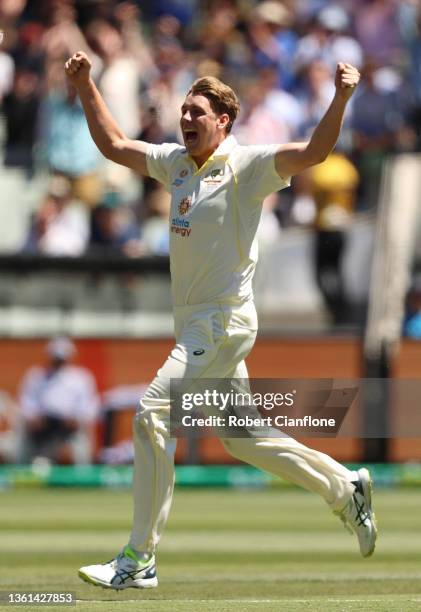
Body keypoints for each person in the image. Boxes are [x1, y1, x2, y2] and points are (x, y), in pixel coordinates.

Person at [64, 51, 376, 590]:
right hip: (196, 323)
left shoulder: (248, 167)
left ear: (223, 121)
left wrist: (341, 97)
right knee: (241, 437)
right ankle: (345, 488)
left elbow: (316, 151)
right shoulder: (177, 164)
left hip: (222, 321)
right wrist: (85, 84)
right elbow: (114, 145)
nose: (186, 119)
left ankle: (139, 559)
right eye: (184, 110)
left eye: (197, 112)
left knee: (151, 416)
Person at [18, 337, 99, 464]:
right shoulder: (35, 376)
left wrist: (75, 420)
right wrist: (34, 419)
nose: (59, 362)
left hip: (70, 431)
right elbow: (26, 405)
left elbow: (89, 409)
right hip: (41, 430)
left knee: (69, 452)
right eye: (56, 358)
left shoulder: (82, 378)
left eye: (61, 359)